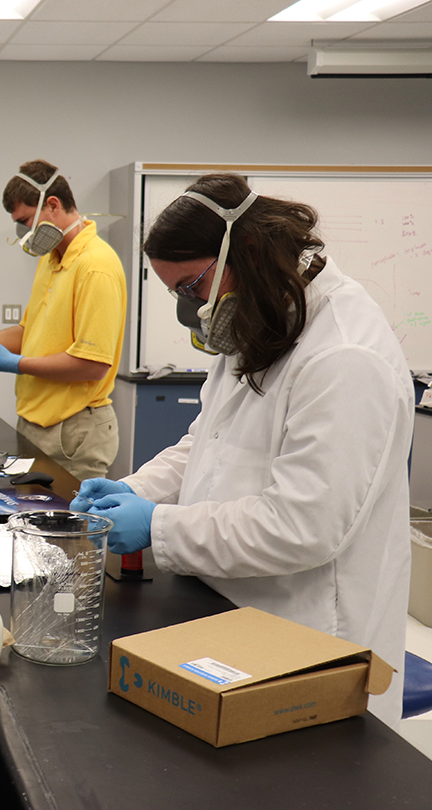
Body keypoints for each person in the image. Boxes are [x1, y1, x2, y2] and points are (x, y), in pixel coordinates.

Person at [72, 173, 413, 728]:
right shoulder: (263, 316)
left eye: (192, 286)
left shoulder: (345, 357)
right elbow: (205, 440)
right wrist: (134, 491)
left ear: (245, 251)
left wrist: (158, 527)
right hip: (228, 606)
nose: (192, 309)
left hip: (308, 639)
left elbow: (302, 526)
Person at [0, 160, 126, 482]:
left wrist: (16, 364)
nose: (24, 232)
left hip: (73, 430)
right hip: (36, 423)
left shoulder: (95, 265)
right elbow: (30, 331)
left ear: (52, 205)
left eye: (25, 220)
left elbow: (93, 364)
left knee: (65, 528)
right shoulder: (51, 258)